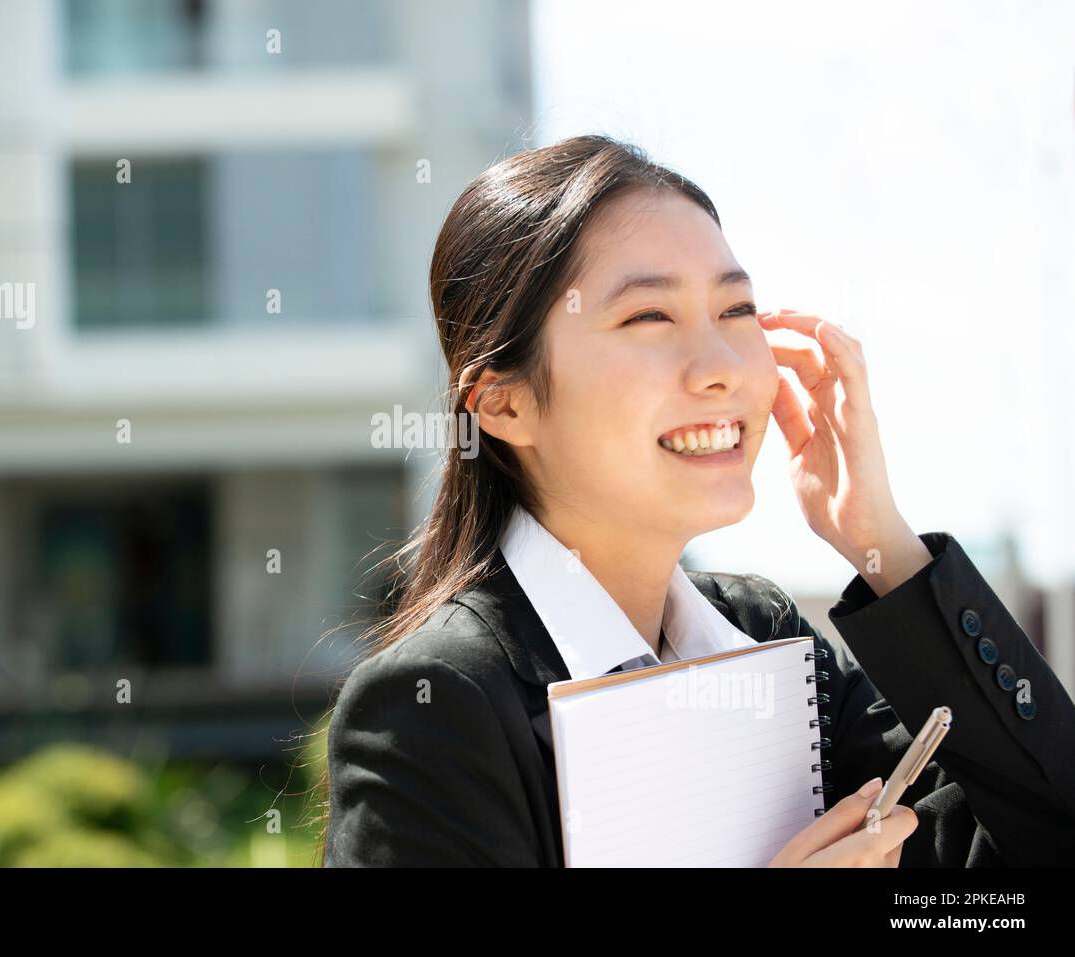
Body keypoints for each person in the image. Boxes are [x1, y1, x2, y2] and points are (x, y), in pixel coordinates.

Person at [317, 134, 1075, 867]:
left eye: (736, 311)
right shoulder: (434, 707)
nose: (719, 367)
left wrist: (881, 542)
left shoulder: (769, 645)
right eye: (650, 317)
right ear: (505, 405)